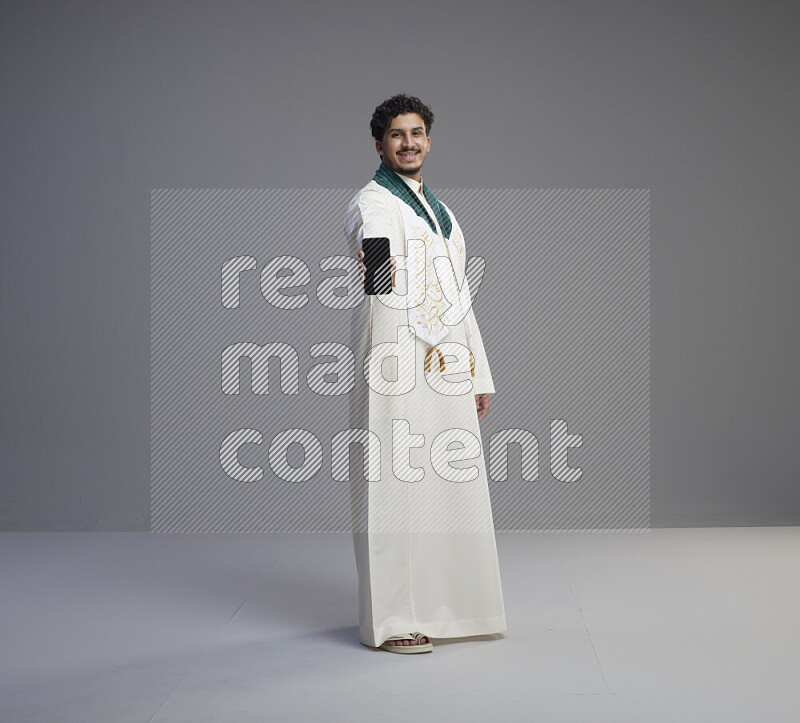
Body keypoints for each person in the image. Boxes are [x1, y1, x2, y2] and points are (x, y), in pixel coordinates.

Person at [343, 93, 507, 654]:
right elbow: (381, 276)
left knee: (446, 484)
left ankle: (448, 608)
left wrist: (477, 370)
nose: (408, 142)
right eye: (396, 135)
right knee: (392, 482)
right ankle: (389, 621)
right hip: (394, 353)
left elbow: (459, 293)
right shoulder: (373, 201)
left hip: (445, 361)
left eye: (417, 133)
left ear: (429, 140)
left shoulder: (441, 211)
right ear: (380, 144)